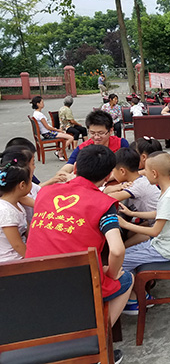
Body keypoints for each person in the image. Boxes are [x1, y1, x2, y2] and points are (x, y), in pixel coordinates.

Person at [26, 145, 134, 362]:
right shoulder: (104, 204)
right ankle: (97, 345)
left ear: (75, 167)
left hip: (31, 281)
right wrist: (111, 274)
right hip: (74, 286)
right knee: (126, 279)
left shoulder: (45, 192)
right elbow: (117, 249)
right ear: (107, 176)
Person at [117, 151, 170, 314]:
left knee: (120, 261)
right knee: (124, 254)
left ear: (154, 174)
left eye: (146, 171)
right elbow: (159, 213)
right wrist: (132, 213)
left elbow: (155, 231)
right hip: (164, 243)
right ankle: (141, 291)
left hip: (166, 249)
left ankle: (136, 299)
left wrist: (125, 225)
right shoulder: (169, 189)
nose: (143, 174)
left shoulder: (168, 197)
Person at [105, 148, 161, 247]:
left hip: (160, 227)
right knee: (129, 234)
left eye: (113, 171)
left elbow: (109, 197)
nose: (112, 174)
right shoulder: (137, 179)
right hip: (154, 220)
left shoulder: (137, 186)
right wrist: (118, 186)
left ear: (122, 171)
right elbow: (106, 190)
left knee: (125, 246)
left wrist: (115, 188)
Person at [59, 110, 129, 175]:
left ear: (111, 131)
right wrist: (64, 174)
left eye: (101, 133)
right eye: (92, 133)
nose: (96, 137)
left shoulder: (121, 144)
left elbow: (129, 167)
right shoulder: (83, 148)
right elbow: (69, 166)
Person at [0, 156, 31, 262]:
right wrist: (34, 260)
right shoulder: (6, 211)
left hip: (18, 256)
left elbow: (28, 231)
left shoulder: (16, 204)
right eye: (30, 181)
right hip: (10, 261)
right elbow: (17, 245)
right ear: (22, 185)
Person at [31, 96, 74, 160]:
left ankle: (60, 152)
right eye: (42, 102)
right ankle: (60, 153)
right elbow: (47, 127)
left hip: (46, 132)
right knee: (71, 138)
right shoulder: (39, 115)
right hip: (48, 133)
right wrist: (57, 130)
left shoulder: (35, 113)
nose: (43, 103)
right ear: (38, 104)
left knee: (65, 136)